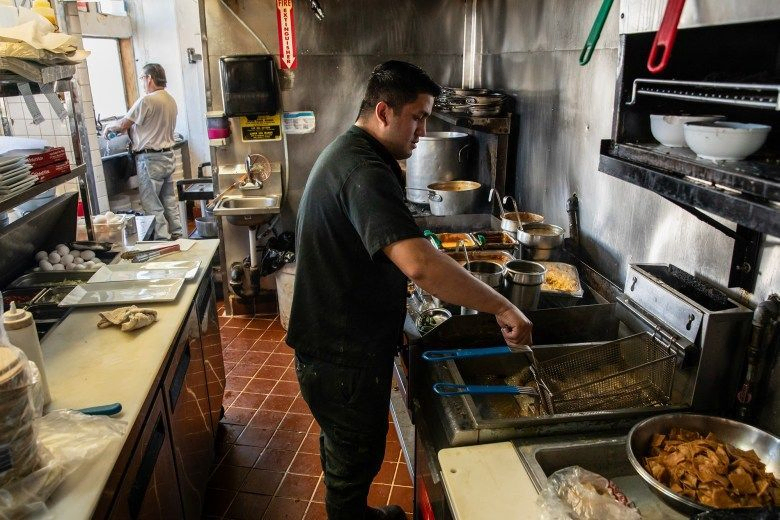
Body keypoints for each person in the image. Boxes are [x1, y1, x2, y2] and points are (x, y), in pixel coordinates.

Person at [287, 60, 533, 520]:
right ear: (384, 111)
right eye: (417, 117)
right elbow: (420, 264)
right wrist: (501, 306)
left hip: (336, 346)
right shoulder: (363, 170)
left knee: (349, 453)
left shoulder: (358, 154)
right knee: (353, 462)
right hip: (341, 358)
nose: (423, 129)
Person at [103, 63, 182, 240]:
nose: (143, 83)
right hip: (167, 156)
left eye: (142, 78)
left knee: (152, 203)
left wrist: (109, 128)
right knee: (168, 200)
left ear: (149, 78)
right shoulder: (170, 100)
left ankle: (162, 241)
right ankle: (178, 235)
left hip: (150, 159)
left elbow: (123, 124)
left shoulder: (147, 100)